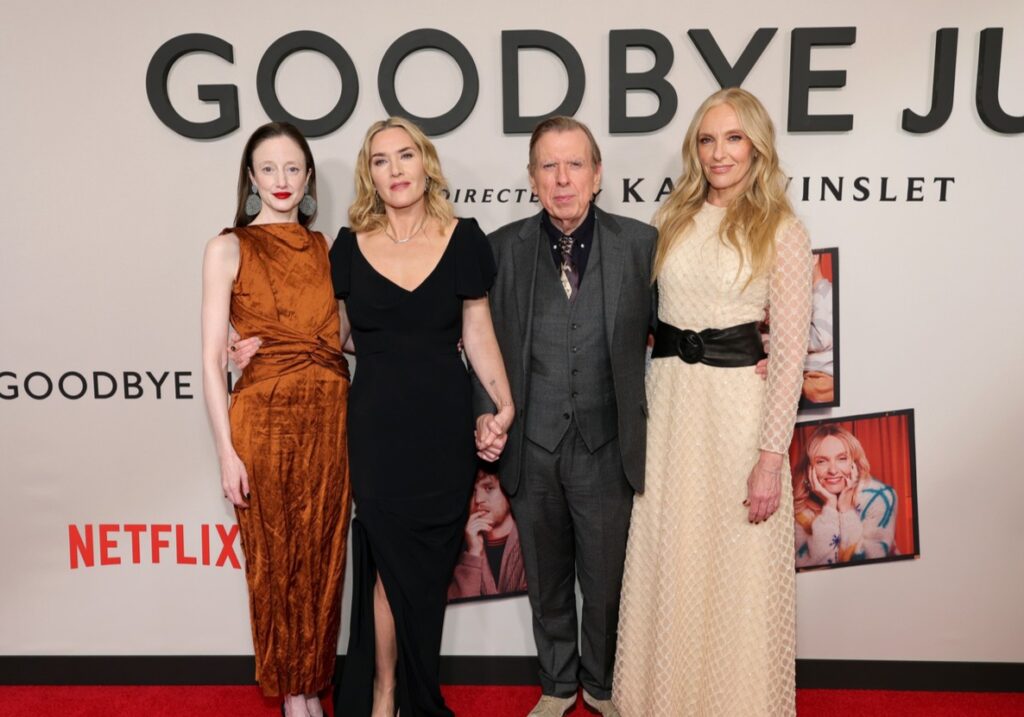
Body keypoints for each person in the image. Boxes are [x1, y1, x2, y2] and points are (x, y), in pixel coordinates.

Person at [613, 88, 813, 717]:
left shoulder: (782, 230)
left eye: (733, 138)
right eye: (707, 139)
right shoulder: (670, 219)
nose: (719, 153)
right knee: (670, 558)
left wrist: (770, 457)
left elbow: (790, 354)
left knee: (736, 570)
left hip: (737, 418)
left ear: (757, 147)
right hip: (671, 409)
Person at [329, 117, 514, 717]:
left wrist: (503, 403)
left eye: (405, 155)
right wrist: (255, 345)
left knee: (426, 575)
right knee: (387, 565)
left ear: (425, 163)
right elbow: (335, 337)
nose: (395, 169)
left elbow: (477, 332)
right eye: (380, 160)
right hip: (376, 432)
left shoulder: (463, 239)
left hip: (442, 429)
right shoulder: (348, 246)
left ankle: (415, 691)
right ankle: (386, 694)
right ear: (371, 175)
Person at [474, 116, 657, 717]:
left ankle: (601, 686)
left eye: (574, 164)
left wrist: (739, 353)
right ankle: (556, 685)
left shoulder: (641, 245)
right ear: (531, 179)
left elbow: (675, 333)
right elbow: (478, 345)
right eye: (548, 166)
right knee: (547, 579)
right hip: (532, 445)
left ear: (597, 174)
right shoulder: (500, 249)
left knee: (605, 583)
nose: (561, 179)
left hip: (608, 446)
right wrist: (485, 417)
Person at [200, 122, 350, 717]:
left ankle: (310, 685)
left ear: (308, 178)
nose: (281, 180)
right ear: (251, 177)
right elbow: (210, 359)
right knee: (276, 557)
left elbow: (341, 336)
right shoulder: (228, 247)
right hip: (263, 423)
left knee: (324, 556)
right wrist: (225, 452)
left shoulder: (327, 249)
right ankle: (294, 695)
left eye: (293, 168)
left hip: (330, 420)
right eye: (268, 168)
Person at [793, 424, 897, 567]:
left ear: (854, 463)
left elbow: (867, 564)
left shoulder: (879, 496)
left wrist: (846, 509)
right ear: (809, 469)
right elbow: (812, 569)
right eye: (821, 461)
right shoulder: (798, 509)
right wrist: (830, 507)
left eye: (841, 458)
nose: (833, 470)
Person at [448, 467, 527, 599]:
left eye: (489, 488)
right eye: (473, 491)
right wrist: (474, 553)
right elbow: (460, 606)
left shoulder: (530, 542)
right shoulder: (456, 547)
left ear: (509, 490)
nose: (478, 499)